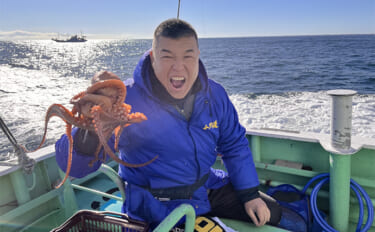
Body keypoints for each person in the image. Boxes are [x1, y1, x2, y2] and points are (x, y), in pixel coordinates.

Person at [55, 18, 305, 231]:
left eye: (188, 55)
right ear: (153, 58)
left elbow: (234, 144)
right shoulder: (124, 100)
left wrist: (249, 194)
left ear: (197, 56)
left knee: (284, 218)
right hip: (153, 205)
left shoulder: (215, 94)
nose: (178, 66)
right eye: (167, 56)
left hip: (207, 188)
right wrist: (88, 130)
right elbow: (77, 168)